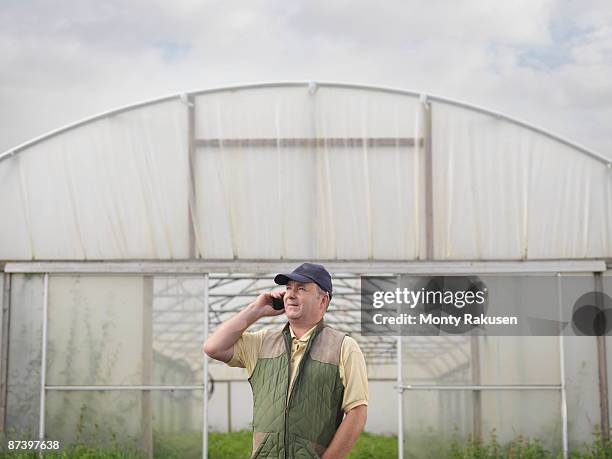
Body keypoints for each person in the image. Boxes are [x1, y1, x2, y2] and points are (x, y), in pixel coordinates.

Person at [203, 263, 368, 459]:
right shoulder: (262, 342)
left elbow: (357, 413)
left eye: (301, 289)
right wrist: (255, 310)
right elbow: (213, 347)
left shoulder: (343, 346)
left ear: (322, 301)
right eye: (289, 288)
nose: (290, 294)